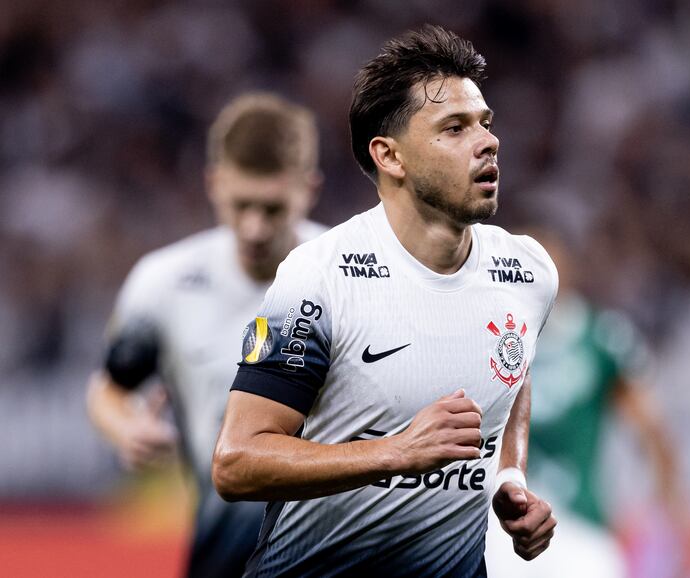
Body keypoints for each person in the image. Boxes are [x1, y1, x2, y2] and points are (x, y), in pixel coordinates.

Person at [212, 25, 559, 577]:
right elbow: (237, 462)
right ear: (389, 156)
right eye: (454, 128)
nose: (488, 141)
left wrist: (510, 478)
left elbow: (513, 369)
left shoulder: (528, 272)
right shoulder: (321, 277)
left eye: (485, 123)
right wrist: (397, 451)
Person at [86, 92, 326, 578]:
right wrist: (127, 428)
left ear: (309, 188)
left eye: (272, 208)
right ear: (213, 183)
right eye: (241, 205)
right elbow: (107, 388)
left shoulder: (351, 277)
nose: (254, 227)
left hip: (333, 557)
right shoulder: (163, 282)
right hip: (220, 556)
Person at [485, 233, 690, 578]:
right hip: (504, 532)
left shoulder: (602, 339)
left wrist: (679, 525)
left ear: (569, 267)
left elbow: (654, 435)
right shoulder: (487, 339)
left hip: (581, 527)